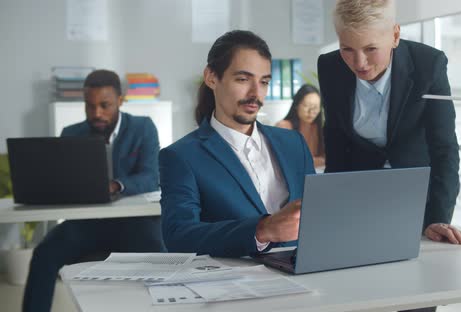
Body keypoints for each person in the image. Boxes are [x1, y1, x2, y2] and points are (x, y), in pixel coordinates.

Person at [318, 0, 461, 246]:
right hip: (357, 195)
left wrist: (437, 218)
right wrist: (334, 206)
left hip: (415, 198)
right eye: (347, 48)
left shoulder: (428, 65)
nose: (359, 63)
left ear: (395, 35)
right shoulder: (330, 66)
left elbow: (444, 148)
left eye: (370, 48)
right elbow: (336, 140)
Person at [159, 30, 315, 257]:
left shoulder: (294, 143)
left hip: (306, 273)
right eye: (243, 79)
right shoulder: (181, 156)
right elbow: (179, 236)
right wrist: (262, 230)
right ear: (212, 77)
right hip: (234, 284)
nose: (255, 93)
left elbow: (315, 215)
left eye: (264, 82)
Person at [23, 70, 164, 312]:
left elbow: (151, 176)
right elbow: (64, 180)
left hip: (136, 222)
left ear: (120, 100)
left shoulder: (143, 128)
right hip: (87, 224)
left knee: (161, 256)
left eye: (104, 105)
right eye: (89, 106)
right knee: (44, 254)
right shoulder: (71, 133)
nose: (96, 113)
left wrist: (116, 185)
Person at [275, 84, 325, 168]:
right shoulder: (283, 127)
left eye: (315, 107)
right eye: (306, 106)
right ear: (296, 105)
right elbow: (287, 161)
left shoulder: (318, 129)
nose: (311, 111)